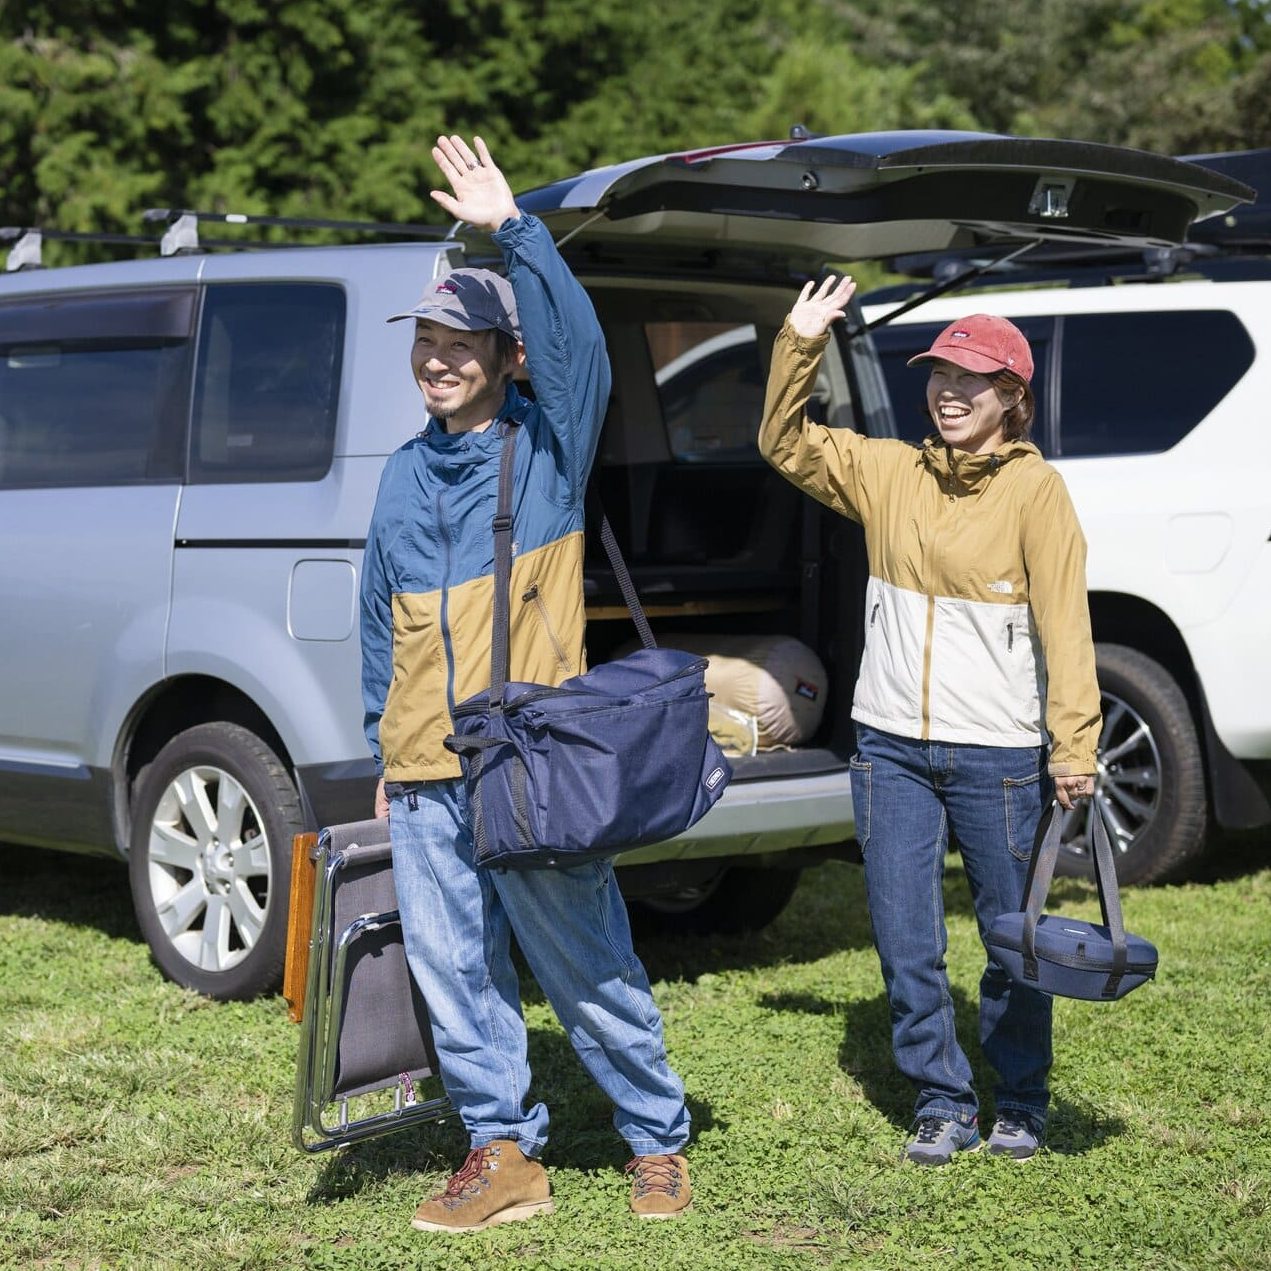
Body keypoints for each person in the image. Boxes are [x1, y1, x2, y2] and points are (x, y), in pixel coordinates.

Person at [360, 134, 691, 1232]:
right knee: (456, 979)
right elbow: (381, 622)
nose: (438, 359)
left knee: (583, 958)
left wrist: (513, 229)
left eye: (462, 343)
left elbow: (578, 349)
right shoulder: (405, 475)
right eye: (427, 342)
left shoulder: (544, 451)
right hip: (423, 770)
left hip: (528, 764)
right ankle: (500, 1151)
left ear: (504, 355)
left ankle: (655, 1139)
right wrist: (383, 747)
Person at [759, 276, 1101, 1165]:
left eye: (972, 380)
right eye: (940, 375)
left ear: (1011, 399)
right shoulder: (887, 471)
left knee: (1008, 938)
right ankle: (942, 1099)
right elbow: (782, 441)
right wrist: (798, 341)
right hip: (889, 750)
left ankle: (1020, 1097)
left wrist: (1074, 747)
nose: (950, 392)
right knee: (906, 938)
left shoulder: (1037, 494)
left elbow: (1066, 627)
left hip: (997, 755)